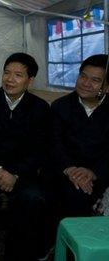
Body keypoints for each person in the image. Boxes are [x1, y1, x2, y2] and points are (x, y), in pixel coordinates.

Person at [0, 53, 51, 260]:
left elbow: (40, 149)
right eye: (7, 73)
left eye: (18, 75)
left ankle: (17, 253)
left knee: (32, 198)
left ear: (30, 80)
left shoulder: (40, 108)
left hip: (23, 173)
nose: (10, 79)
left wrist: (15, 173)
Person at [51, 54, 109, 218]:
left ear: (106, 87)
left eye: (95, 80)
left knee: (81, 195)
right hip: (63, 171)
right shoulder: (60, 106)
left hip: (98, 175)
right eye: (83, 76)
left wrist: (93, 172)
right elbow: (55, 144)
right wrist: (71, 169)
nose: (86, 83)